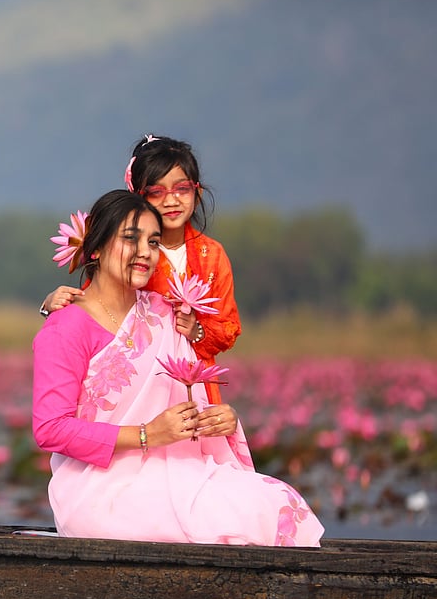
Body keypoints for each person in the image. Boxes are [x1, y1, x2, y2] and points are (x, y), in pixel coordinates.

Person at [31, 189, 322, 547]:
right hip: (99, 488)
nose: (144, 253)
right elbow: (50, 429)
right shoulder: (65, 327)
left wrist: (220, 421)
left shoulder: (162, 312)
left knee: (277, 501)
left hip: (175, 469)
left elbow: (187, 399)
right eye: (130, 238)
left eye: (153, 242)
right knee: (222, 520)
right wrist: (146, 435)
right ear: (96, 248)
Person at [41, 135, 239, 404]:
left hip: (194, 386)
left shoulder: (212, 255)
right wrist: (52, 307)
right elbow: (97, 307)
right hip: (137, 386)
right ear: (137, 197)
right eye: (156, 192)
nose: (171, 201)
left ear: (198, 191)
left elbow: (228, 327)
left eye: (182, 189)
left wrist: (197, 331)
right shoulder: (123, 251)